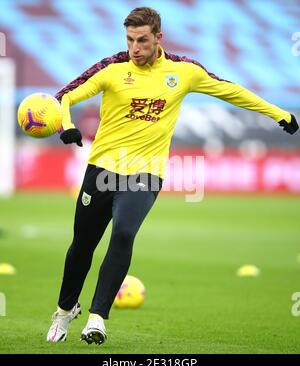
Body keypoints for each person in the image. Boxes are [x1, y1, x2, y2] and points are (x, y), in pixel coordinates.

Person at [46, 7, 299, 345]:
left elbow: (232, 90)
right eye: (130, 40)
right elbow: (65, 96)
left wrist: (279, 114)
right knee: (82, 246)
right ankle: (64, 311)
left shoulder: (183, 72)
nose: (135, 48)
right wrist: (68, 126)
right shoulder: (112, 68)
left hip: (146, 173)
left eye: (143, 41)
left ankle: (97, 318)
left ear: (158, 38)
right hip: (102, 170)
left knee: (123, 233)